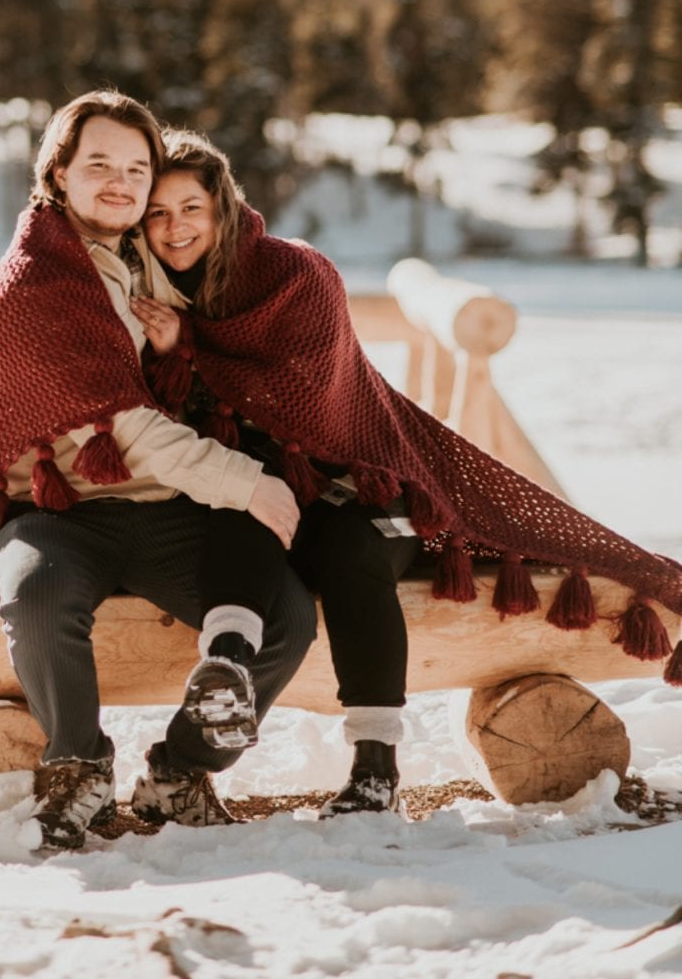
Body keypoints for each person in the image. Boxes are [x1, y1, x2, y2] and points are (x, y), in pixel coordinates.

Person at [132, 130, 682, 815]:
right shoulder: (152, 298)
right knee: (246, 512)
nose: (176, 226)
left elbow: (304, 400)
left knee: (354, 549)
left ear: (223, 208)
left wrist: (189, 352)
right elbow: (169, 426)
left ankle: (374, 768)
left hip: (367, 486)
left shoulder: (297, 274)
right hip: (261, 501)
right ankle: (226, 673)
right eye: (157, 213)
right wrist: (168, 354)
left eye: (192, 207)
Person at [0, 92, 315, 851]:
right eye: (98, 163)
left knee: (285, 617)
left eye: (137, 167)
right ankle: (77, 768)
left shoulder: (143, 262)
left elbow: (231, 277)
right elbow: (126, 430)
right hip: (57, 513)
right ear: (57, 173)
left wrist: (176, 349)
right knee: (37, 600)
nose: (120, 182)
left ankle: (180, 770)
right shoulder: (36, 281)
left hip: (162, 512)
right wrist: (252, 484)